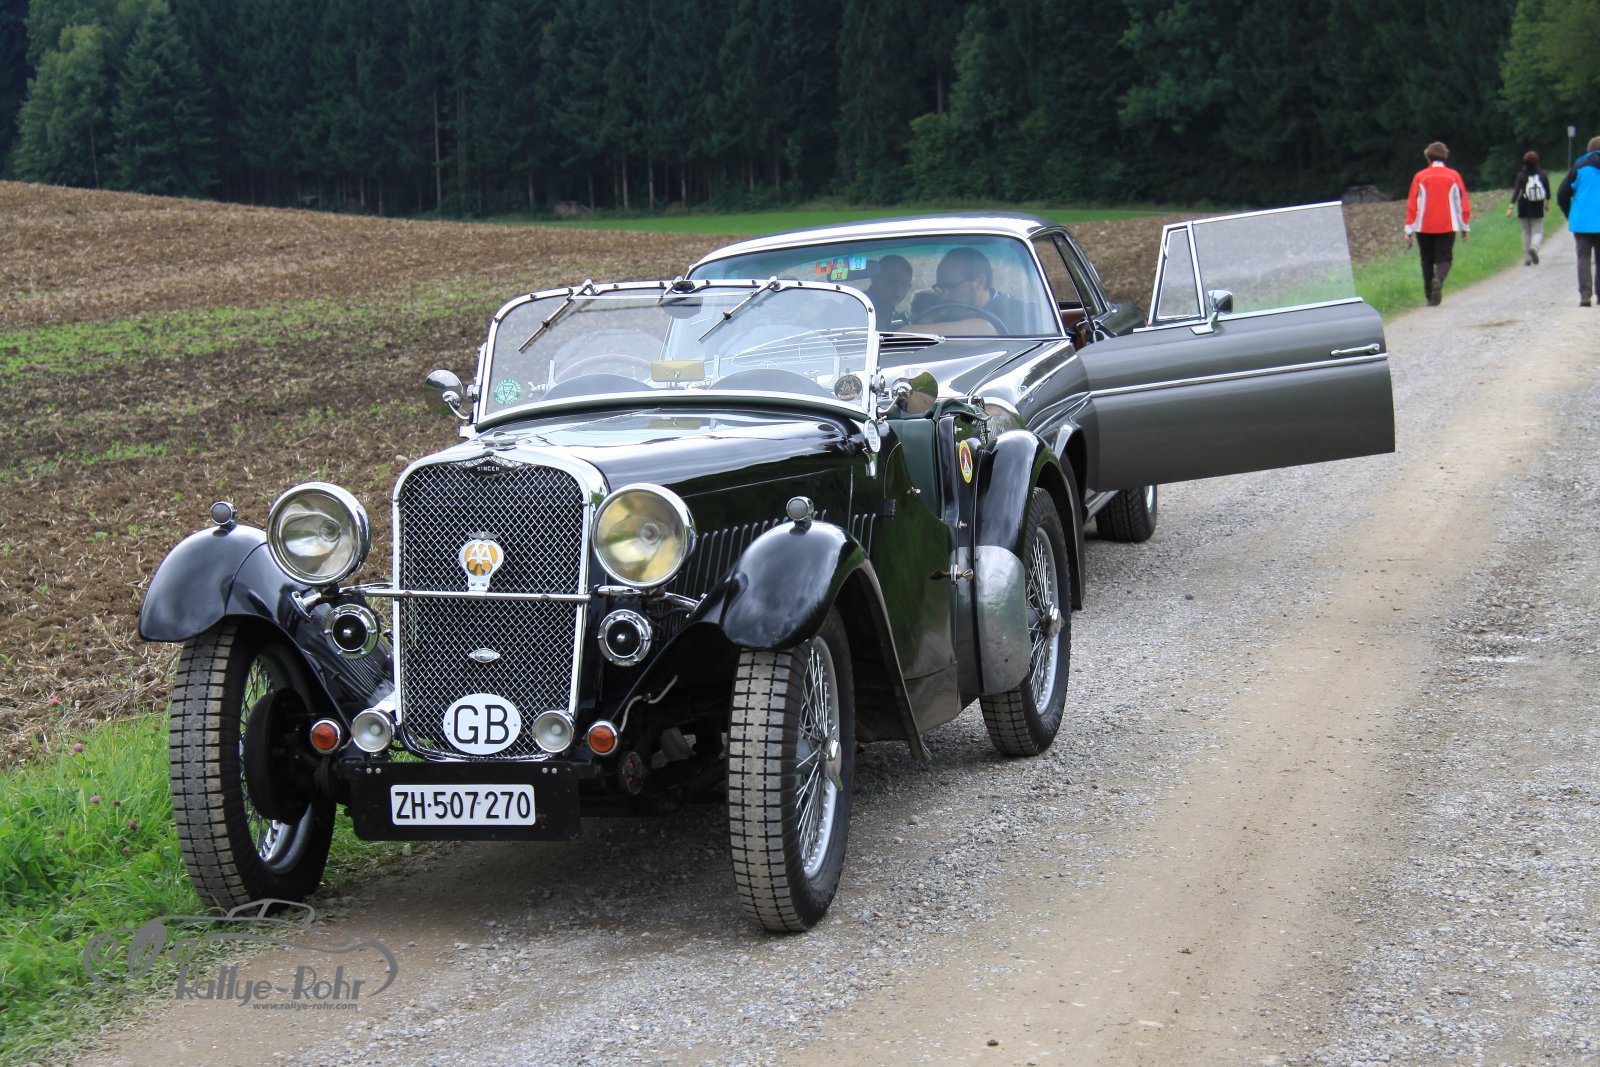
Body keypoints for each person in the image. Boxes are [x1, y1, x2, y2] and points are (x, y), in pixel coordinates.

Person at [1404, 141, 1471, 306]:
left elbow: (1413, 204)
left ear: (1428, 157)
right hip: (1447, 225)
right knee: (1445, 258)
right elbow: (1461, 203)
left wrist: (1409, 229)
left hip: (1423, 226)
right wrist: (1464, 226)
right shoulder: (1453, 176)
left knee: (1426, 260)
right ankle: (1438, 279)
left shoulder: (1420, 177)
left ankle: (1429, 297)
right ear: (1445, 156)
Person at [914, 246, 1024, 334]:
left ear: (980, 282)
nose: (944, 296)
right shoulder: (946, 317)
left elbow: (986, 328)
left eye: (950, 288)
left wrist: (908, 332)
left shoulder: (1019, 314)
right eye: (941, 288)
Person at [1557, 135, 1600, 307]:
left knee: (1583, 257)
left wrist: (1569, 213)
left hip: (1582, 222)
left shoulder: (1579, 167)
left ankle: (1585, 295)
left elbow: (1562, 194)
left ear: (1589, 150)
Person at [1505, 151, 1550, 265]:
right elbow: (1547, 190)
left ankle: (1527, 259)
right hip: (1537, 206)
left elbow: (1516, 192)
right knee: (1538, 231)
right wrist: (1547, 203)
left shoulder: (1521, 175)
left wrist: (1510, 207)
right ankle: (1534, 248)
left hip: (1523, 206)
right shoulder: (1542, 174)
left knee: (1526, 232)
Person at [864, 254, 914, 327]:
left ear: (909, 287)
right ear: (875, 279)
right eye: (891, 281)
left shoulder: (892, 315)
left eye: (904, 284)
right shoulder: (860, 306)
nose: (897, 289)